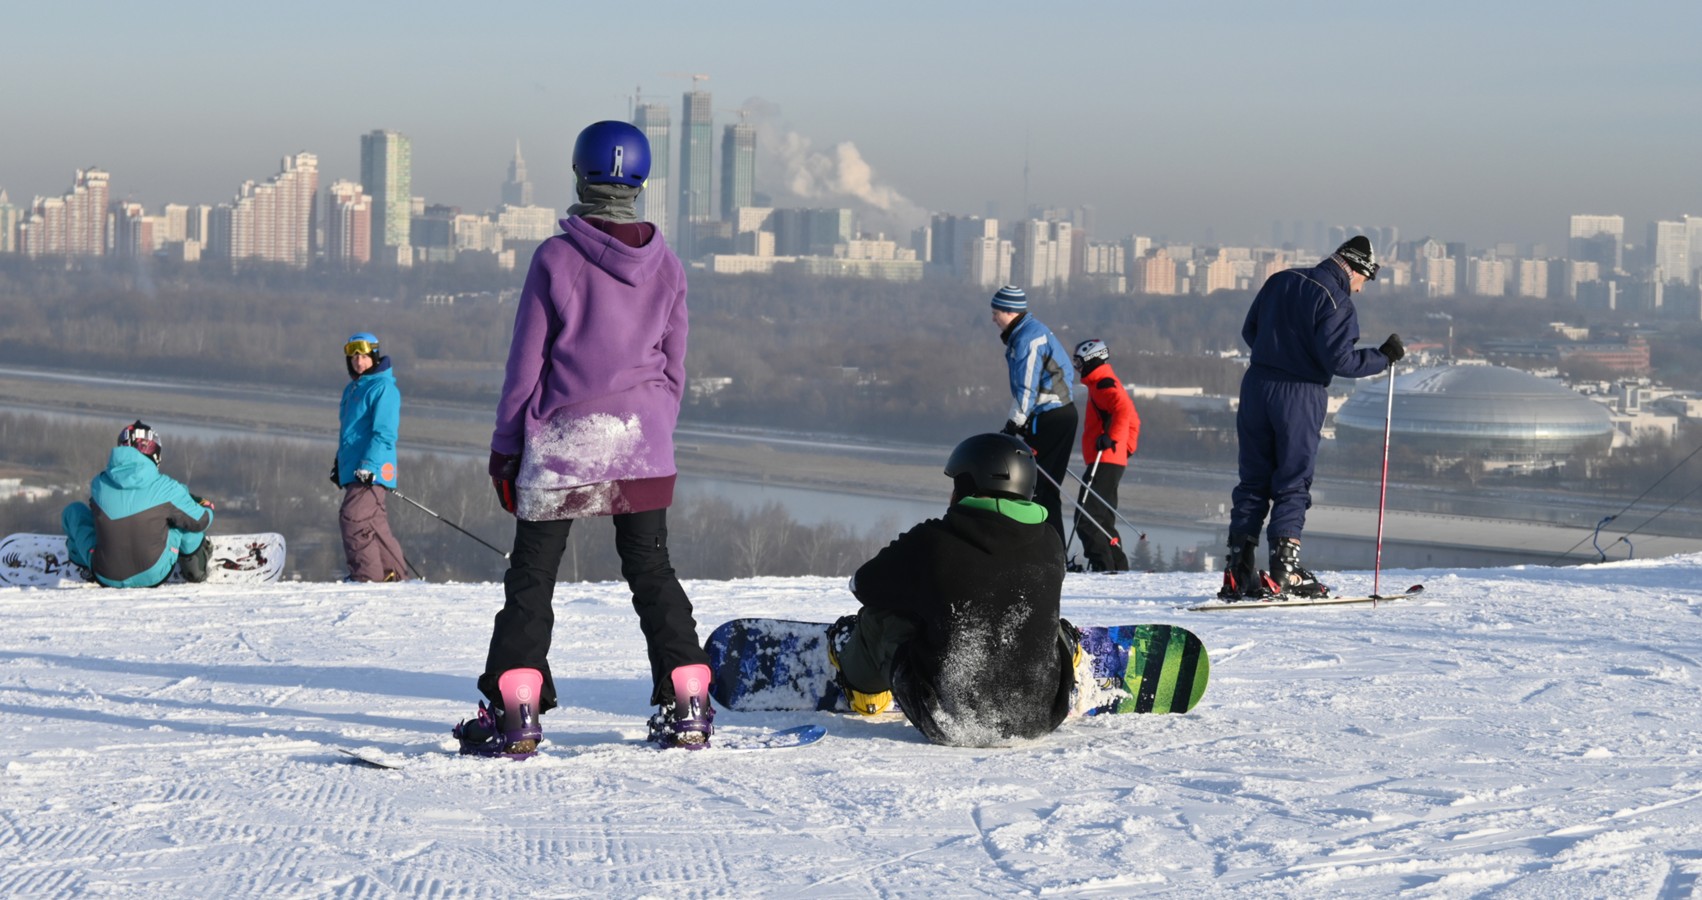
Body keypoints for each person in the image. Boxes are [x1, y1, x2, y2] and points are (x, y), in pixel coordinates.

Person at [454, 120, 713, 758]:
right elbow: (675, 367)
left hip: (565, 443)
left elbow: (526, 365)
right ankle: (688, 703)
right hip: (643, 441)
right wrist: (653, 431)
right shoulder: (669, 266)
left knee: (533, 577)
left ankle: (516, 714)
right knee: (652, 570)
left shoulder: (557, 257)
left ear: (579, 174)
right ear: (641, 183)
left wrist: (505, 448)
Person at [827, 432, 1079, 748]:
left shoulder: (932, 542)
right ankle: (1069, 648)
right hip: (1039, 718)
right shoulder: (1051, 542)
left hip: (950, 721)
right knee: (1028, 610)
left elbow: (863, 585)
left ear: (969, 485)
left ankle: (864, 690)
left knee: (880, 616)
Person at [1220, 235, 1404, 600]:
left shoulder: (1281, 280)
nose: (1361, 289)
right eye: (1363, 280)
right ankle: (1285, 572)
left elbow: (1250, 330)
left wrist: (1276, 356)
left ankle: (1237, 572)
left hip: (1256, 385)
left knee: (1253, 480)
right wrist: (1383, 357)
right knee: (1292, 480)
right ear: (1353, 268)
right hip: (1299, 394)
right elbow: (1342, 361)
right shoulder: (1336, 302)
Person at [61, 420, 215, 588]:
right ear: (154, 452)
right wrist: (205, 506)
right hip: (154, 573)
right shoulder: (166, 487)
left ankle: (78, 559)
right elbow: (201, 520)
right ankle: (195, 569)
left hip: (105, 574)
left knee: (74, 511)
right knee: (181, 519)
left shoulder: (99, 483)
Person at [990, 285, 1078, 546]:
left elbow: (1027, 385)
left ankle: (1045, 549)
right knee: (1046, 488)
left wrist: (1014, 422)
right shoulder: (1029, 331)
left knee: (1037, 486)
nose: (993, 318)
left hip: (1049, 416)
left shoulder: (1028, 337)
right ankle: (1053, 548)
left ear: (1009, 311)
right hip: (1058, 414)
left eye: (996, 312)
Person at [332, 331, 407, 583]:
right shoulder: (353, 389)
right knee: (374, 523)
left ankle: (366, 577)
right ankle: (393, 575)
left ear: (374, 356)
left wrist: (368, 465)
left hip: (372, 468)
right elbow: (351, 434)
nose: (358, 362)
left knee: (353, 518)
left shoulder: (383, 388)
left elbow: (384, 433)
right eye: (354, 358)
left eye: (363, 357)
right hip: (357, 468)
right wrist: (339, 464)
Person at [1071, 338, 1141, 572]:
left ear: (1092, 359)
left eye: (1079, 362)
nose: (1077, 368)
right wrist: (1126, 447)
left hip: (1106, 458)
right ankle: (1117, 566)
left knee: (1086, 516)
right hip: (1111, 458)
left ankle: (1104, 566)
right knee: (1102, 519)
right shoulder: (1101, 383)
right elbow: (1133, 417)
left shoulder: (1103, 383)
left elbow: (1122, 410)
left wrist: (1113, 439)